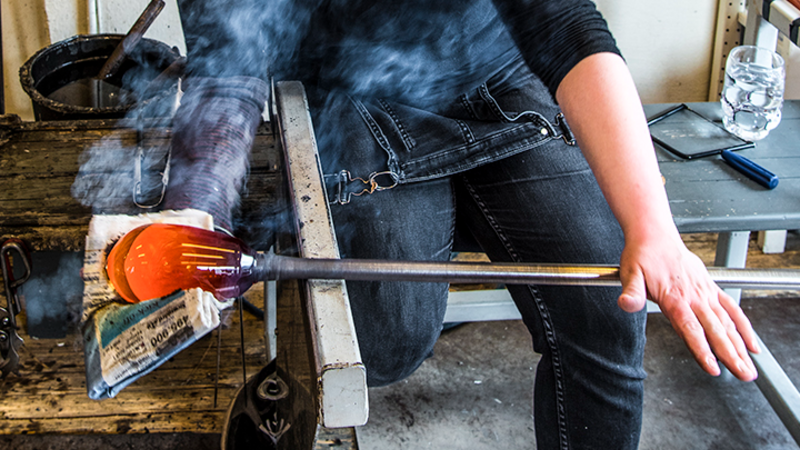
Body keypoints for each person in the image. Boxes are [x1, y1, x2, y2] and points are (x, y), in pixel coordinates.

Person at [164, 1, 761, 447]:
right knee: (383, 344)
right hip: (355, 98)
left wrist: (655, 230)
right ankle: (288, 376)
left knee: (607, 312)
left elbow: (566, 28)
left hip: (499, 80)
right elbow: (226, 71)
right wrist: (199, 208)